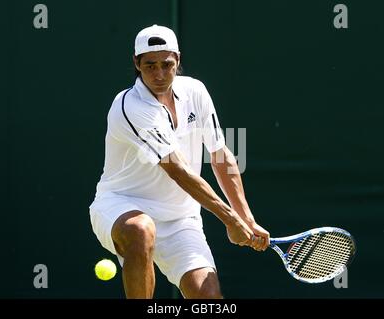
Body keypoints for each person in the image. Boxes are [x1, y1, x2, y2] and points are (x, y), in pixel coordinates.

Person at [89, 24, 270, 299]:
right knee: (140, 229)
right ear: (136, 63)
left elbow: (220, 155)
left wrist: (246, 217)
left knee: (208, 298)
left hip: (181, 218)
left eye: (167, 64)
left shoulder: (196, 91)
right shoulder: (129, 106)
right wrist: (230, 219)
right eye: (150, 66)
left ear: (178, 60)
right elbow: (178, 171)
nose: (159, 74)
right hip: (121, 205)